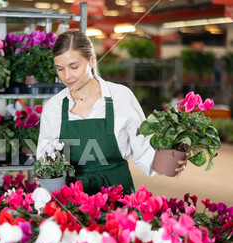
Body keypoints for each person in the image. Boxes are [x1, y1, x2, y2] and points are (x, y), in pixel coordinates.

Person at [37, 30, 188, 196]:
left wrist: (170, 161)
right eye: (60, 69)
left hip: (119, 198)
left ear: (92, 60)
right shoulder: (53, 108)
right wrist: (43, 178)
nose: (67, 76)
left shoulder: (120, 97)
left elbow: (143, 149)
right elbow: (44, 161)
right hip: (75, 201)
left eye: (74, 67)